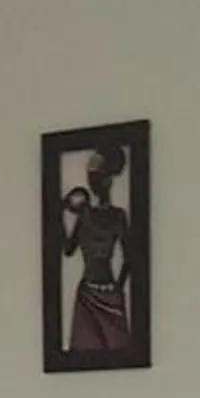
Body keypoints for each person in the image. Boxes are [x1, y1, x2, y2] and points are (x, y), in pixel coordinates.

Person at [61, 148, 135, 356]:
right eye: (91, 179)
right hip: (87, 293)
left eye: (97, 178)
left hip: (109, 294)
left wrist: (118, 288)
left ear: (109, 181)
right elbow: (68, 249)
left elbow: (130, 257)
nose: (94, 184)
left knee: (118, 349)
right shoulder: (85, 214)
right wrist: (59, 214)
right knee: (84, 351)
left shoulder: (118, 216)